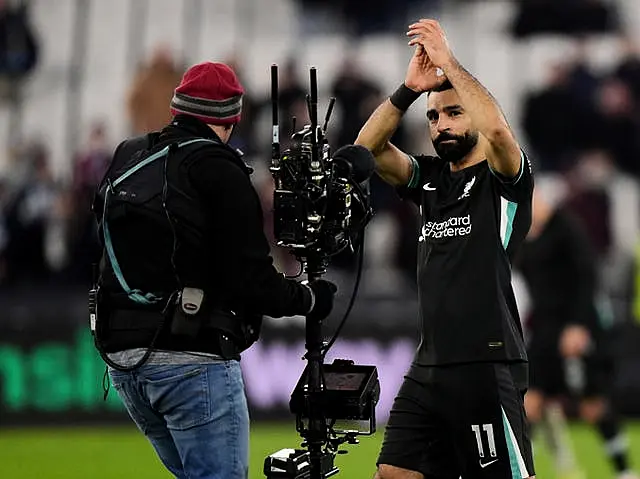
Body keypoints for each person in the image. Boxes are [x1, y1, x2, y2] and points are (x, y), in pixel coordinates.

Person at [91, 62, 337, 479]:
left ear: (177, 108)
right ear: (231, 119)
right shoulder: (218, 167)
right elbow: (250, 280)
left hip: (124, 362)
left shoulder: (130, 154)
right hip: (191, 357)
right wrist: (309, 298)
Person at [356, 19, 535, 478]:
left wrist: (449, 65)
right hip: (430, 362)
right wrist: (410, 90)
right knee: (393, 473)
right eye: (434, 117)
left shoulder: (505, 182)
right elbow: (366, 150)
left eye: (454, 112)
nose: (440, 125)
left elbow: (498, 135)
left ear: (475, 113)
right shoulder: (430, 179)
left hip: (486, 362)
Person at [516, 188, 638, 479]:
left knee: (591, 405)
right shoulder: (523, 237)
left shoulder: (566, 227)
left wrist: (579, 326)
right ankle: (520, 472)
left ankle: (625, 472)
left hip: (574, 328)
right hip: (544, 332)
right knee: (529, 402)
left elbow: (587, 276)